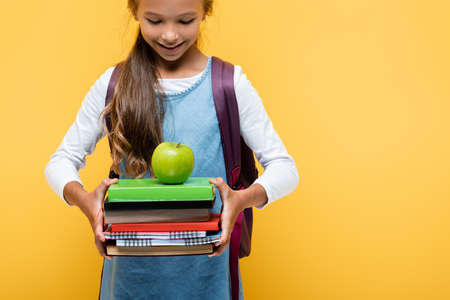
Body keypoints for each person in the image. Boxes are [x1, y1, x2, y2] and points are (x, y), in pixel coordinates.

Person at [45, 0, 299, 299]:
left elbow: (285, 168)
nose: (169, 35)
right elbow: (60, 161)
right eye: (154, 21)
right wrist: (87, 202)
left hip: (209, 279)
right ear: (134, 12)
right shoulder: (113, 85)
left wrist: (241, 199)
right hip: (129, 281)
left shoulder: (229, 84)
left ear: (205, 12)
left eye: (185, 21)